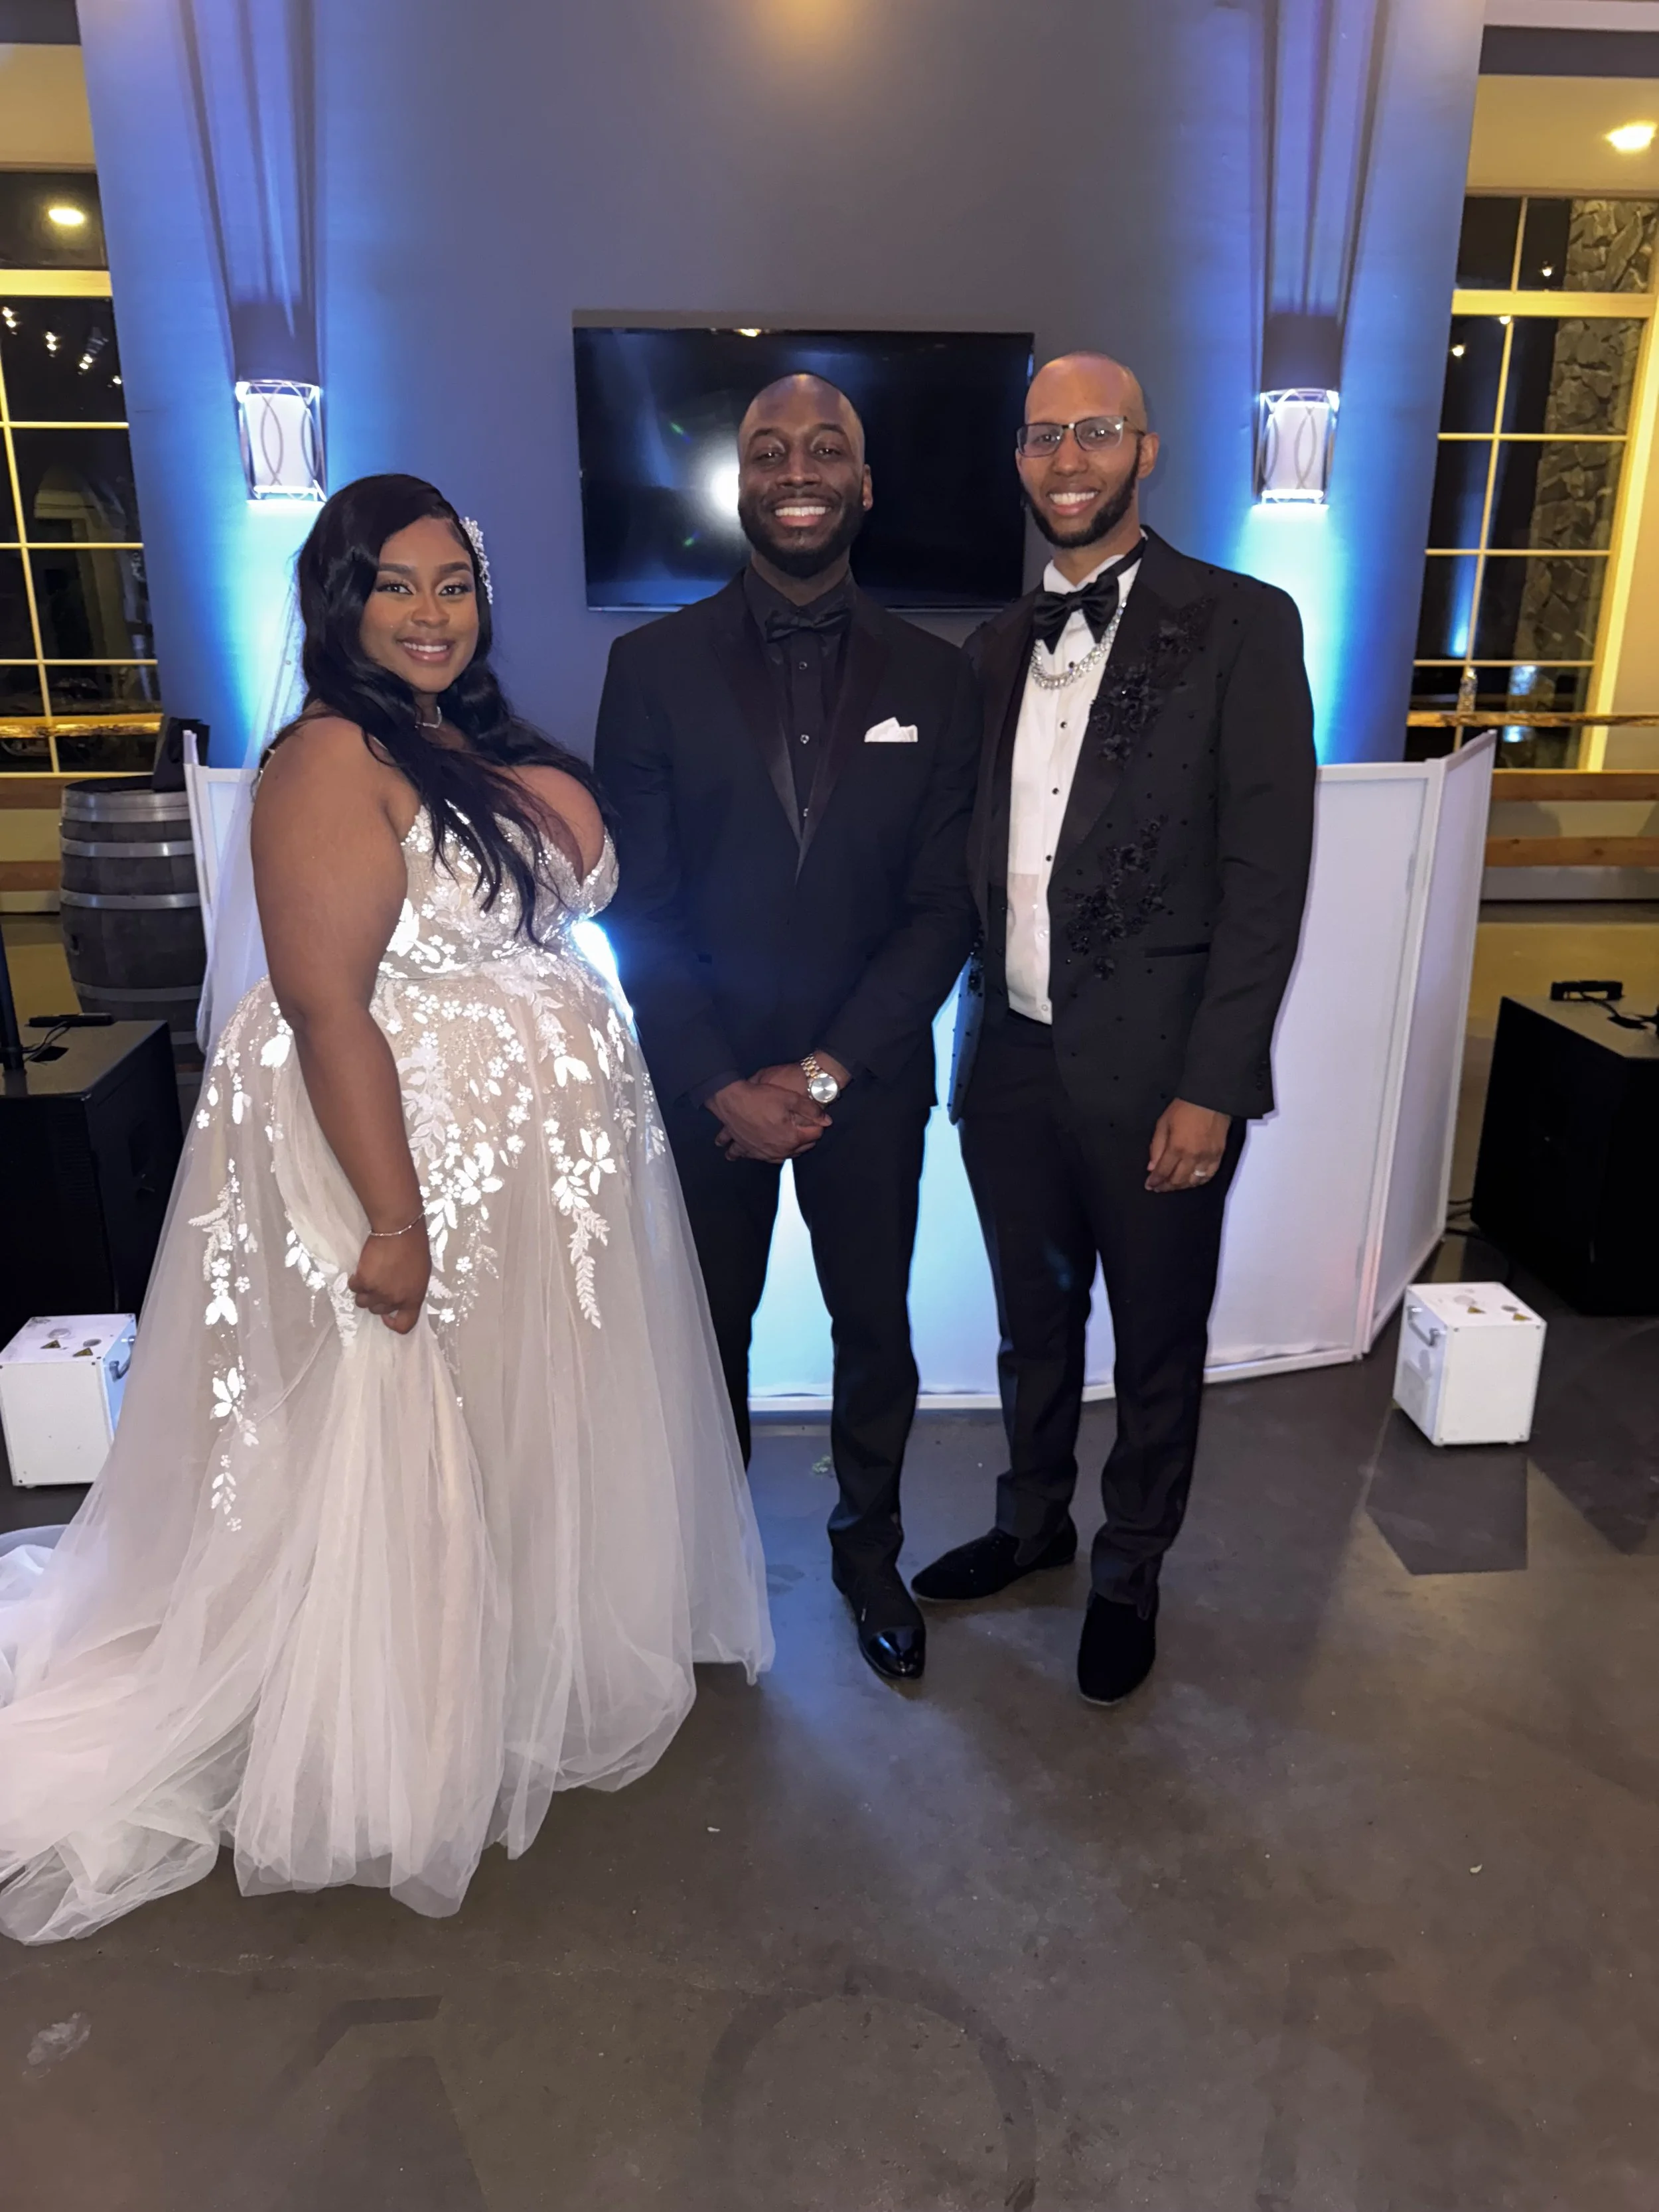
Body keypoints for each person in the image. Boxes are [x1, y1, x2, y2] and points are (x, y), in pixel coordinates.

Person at [0, 475, 772, 1944]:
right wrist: (395, 1219)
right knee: (409, 1432)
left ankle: (516, 1649)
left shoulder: (462, 742)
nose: (429, 613)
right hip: (418, 1175)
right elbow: (321, 1003)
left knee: (512, 1427)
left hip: (541, 1187)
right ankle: (397, 1707)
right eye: (395, 585)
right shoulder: (324, 758)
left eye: (453, 585)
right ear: (337, 599)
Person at [913, 354, 1315, 1706]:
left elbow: (1267, 882)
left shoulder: (1239, 624)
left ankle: (1129, 1567)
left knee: (1153, 1337)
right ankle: (1033, 1523)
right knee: (1032, 1325)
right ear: (1018, 459)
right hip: (1008, 1060)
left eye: (1095, 433)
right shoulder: (987, 646)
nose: (1065, 460)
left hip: (1157, 1075)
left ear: (1144, 452)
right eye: (1040, 436)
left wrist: (1214, 1084)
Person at [596, 375, 980, 1684]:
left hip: (864, 1080)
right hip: (702, 1088)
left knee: (877, 1330)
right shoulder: (645, 670)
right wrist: (720, 1084)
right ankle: (700, 1570)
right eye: (769, 450)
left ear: (864, 485)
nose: (797, 467)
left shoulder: (941, 674)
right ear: (740, 485)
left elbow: (944, 908)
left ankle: (866, 1548)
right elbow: (637, 907)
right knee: (703, 1332)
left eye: (826, 449)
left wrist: (820, 1068)